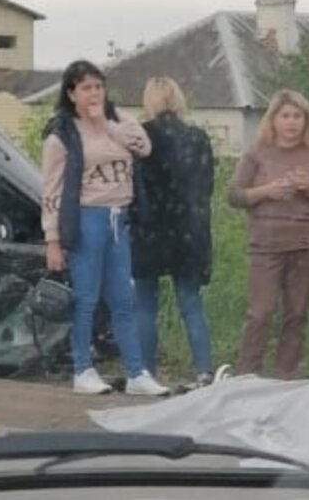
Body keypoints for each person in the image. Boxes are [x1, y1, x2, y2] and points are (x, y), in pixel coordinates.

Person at [41, 60, 170, 396]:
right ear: (71, 93)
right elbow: (51, 191)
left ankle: (136, 372)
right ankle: (82, 368)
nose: (94, 93)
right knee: (86, 296)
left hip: (118, 215)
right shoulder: (62, 136)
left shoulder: (121, 122)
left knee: (123, 299)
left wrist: (106, 125)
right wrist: (52, 239)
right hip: (87, 216)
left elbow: (145, 148)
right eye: (86, 88)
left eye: (98, 86)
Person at [228, 89, 309, 379]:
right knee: (260, 313)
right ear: (273, 119)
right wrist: (267, 191)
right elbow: (234, 195)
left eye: (297, 116)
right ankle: (246, 377)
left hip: (305, 243)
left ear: (306, 121)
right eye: (285, 116)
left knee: (296, 314)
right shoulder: (256, 152)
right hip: (264, 244)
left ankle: (285, 378)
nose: (291, 122)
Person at [131, 77, 215, 387]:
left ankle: (146, 372)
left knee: (145, 305)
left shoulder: (140, 139)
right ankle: (204, 370)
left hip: (149, 227)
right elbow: (206, 186)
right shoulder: (198, 138)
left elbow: (133, 187)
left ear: (149, 101)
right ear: (178, 100)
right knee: (190, 302)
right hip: (188, 228)